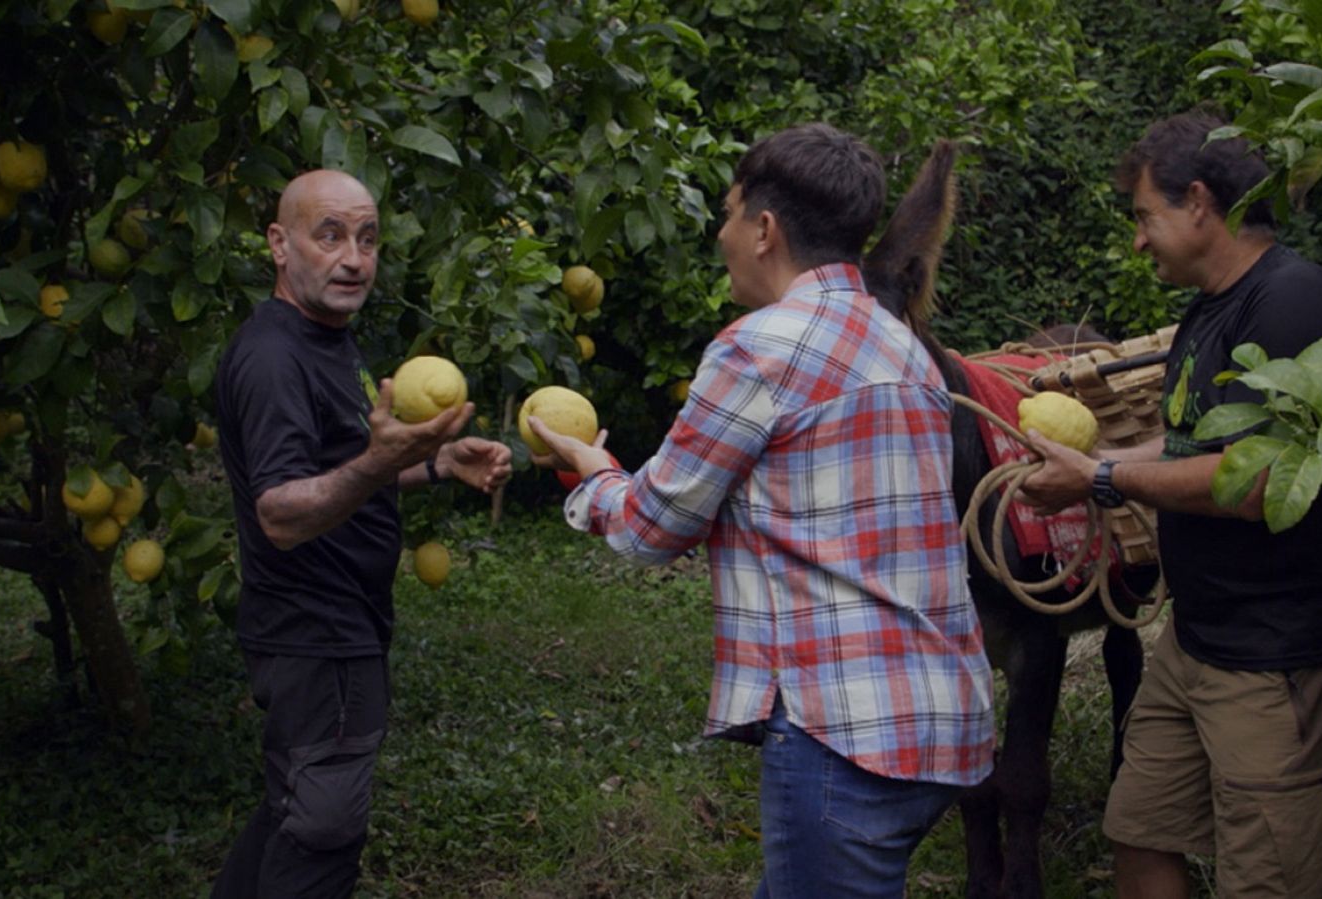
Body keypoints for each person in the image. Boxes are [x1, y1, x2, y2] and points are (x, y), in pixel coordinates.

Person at [528, 123, 995, 897]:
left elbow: (652, 526)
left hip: (844, 736)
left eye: (729, 212)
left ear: (765, 229)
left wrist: (593, 473)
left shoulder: (762, 347)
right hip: (937, 720)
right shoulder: (903, 344)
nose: (721, 233)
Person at [1016, 110, 1322, 899]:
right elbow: (1189, 450)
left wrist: (1101, 481)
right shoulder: (1210, 309)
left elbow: (1251, 482)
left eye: (1146, 216)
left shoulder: (1293, 301)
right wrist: (1099, 460)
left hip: (1279, 652)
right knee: (1140, 831)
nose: (1139, 239)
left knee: (1268, 877)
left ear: (1201, 203)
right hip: (1200, 638)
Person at [210, 170, 513, 898]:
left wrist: (432, 461)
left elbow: (335, 473)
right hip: (320, 635)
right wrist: (382, 457)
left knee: (295, 803)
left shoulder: (324, 341)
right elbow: (281, 512)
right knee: (322, 833)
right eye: (331, 235)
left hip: (323, 631)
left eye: (368, 238)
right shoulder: (276, 358)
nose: (354, 258)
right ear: (280, 245)